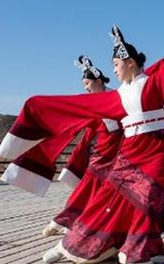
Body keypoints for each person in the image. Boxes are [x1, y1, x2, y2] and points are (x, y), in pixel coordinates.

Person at [0, 18, 164, 264]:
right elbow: (76, 107)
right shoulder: (118, 96)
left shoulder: (154, 81)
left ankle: (140, 252)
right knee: (106, 197)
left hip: (157, 150)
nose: (115, 70)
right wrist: (36, 106)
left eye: (117, 64)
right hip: (130, 151)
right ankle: (72, 244)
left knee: (147, 196)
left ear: (131, 62)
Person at [42, 56, 123, 236]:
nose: (86, 88)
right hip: (103, 149)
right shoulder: (95, 99)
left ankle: (69, 220)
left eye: (88, 83)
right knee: (93, 185)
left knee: (94, 184)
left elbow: (118, 126)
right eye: (84, 84)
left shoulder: (114, 96)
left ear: (99, 81)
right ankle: (79, 220)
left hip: (115, 150)